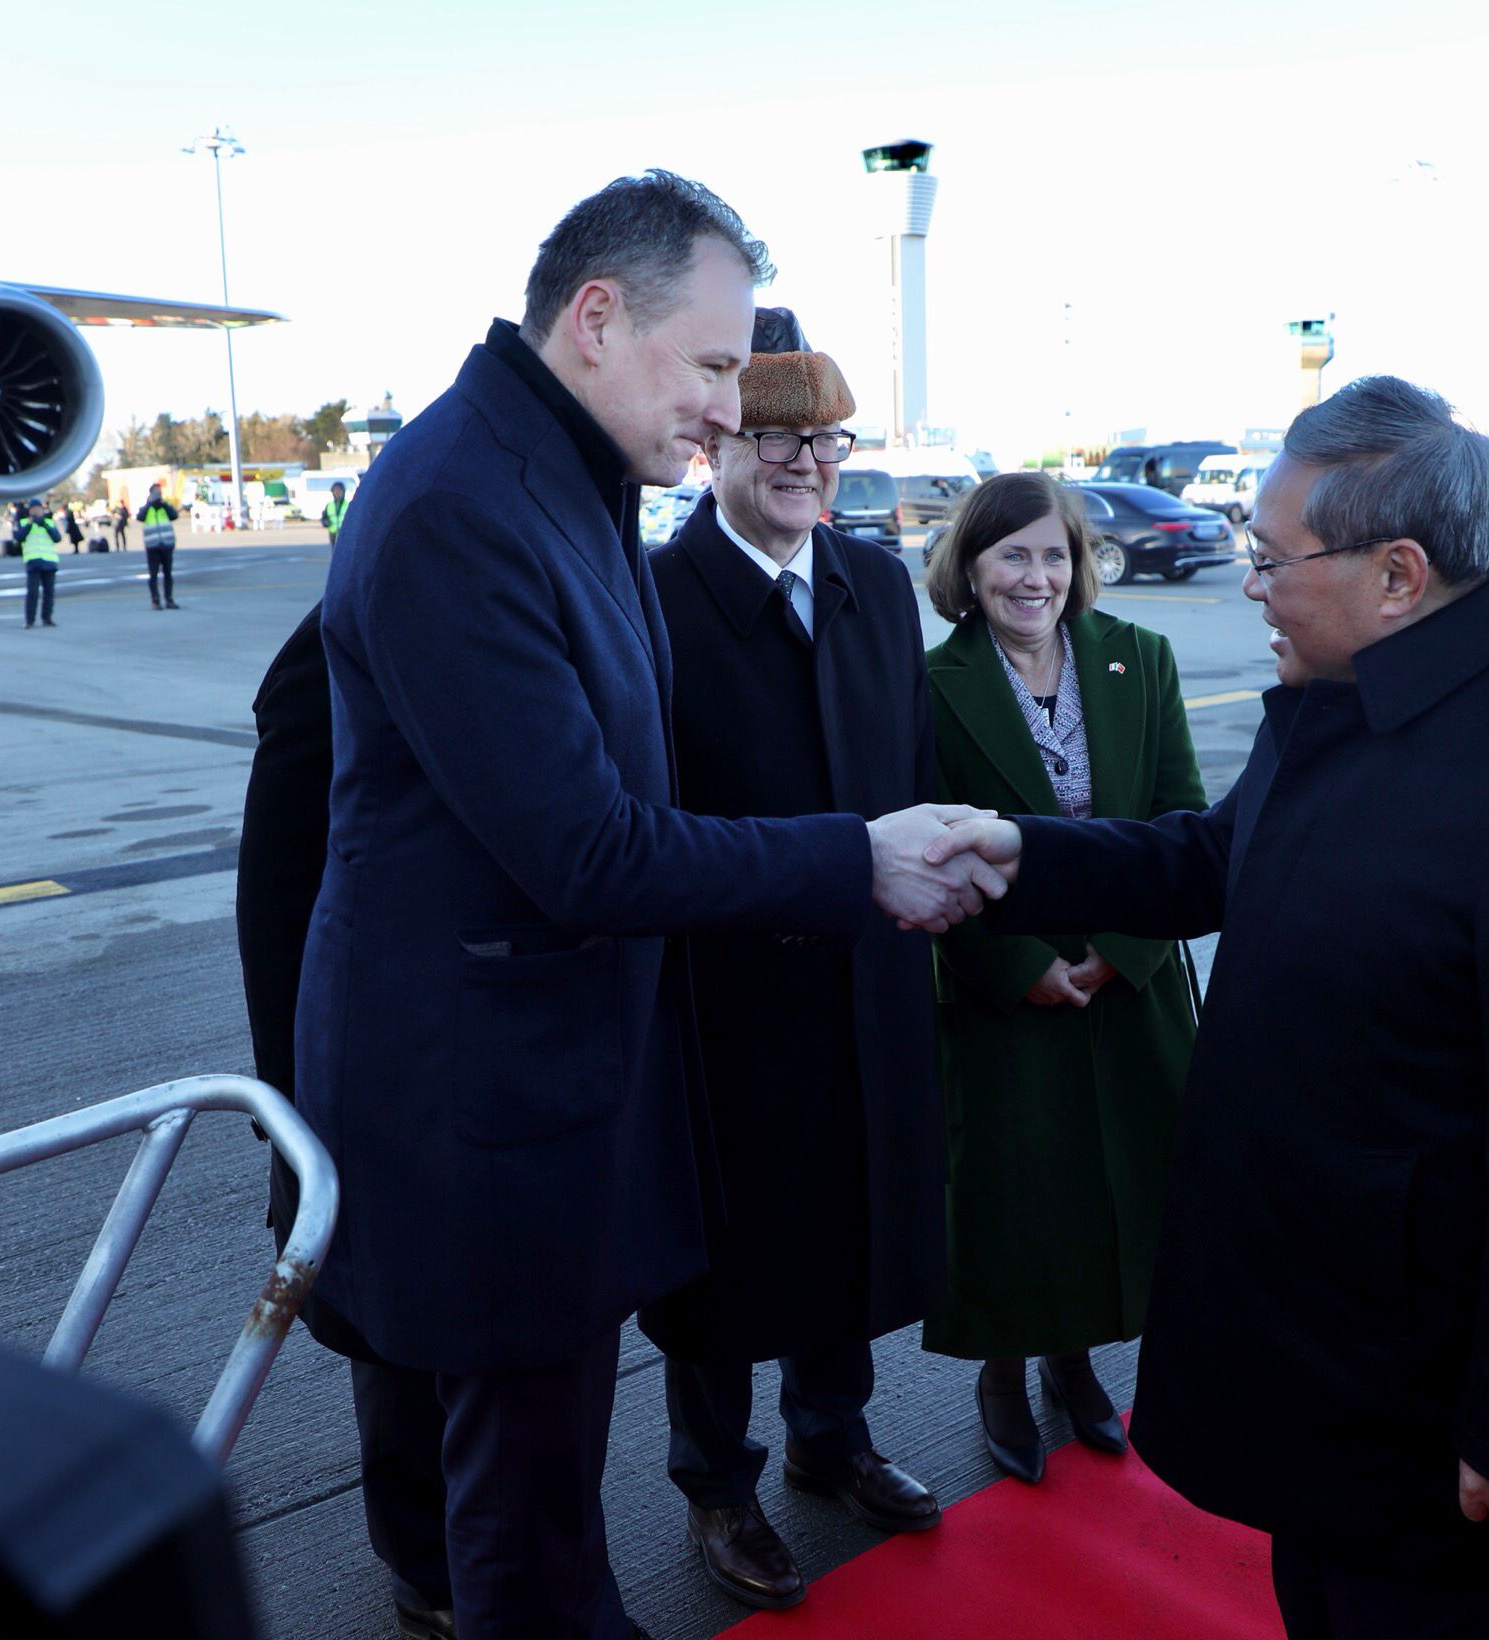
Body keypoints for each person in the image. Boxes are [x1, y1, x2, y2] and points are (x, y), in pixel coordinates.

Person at [291, 171, 1002, 1640]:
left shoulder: (558, 476)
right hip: (487, 1106)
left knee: (546, 1492)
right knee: (528, 1518)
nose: (734, 412)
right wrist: (852, 857)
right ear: (599, 319)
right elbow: (590, 851)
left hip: (558, 1081)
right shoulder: (461, 506)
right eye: (719, 366)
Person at [932, 376, 1489, 1638]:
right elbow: (1210, 857)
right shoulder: (1351, 696)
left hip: (1431, 1402)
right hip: (1319, 1352)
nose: (1250, 585)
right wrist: (1014, 853)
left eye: (1268, 556)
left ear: (1398, 573)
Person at [639, 340, 945, 1612]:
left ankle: (833, 1430)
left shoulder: (874, 583)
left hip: (863, 975)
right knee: (722, 1255)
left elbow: (911, 760)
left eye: (825, 443)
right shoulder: (657, 595)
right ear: (716, 447)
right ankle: (717, 1481)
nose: (805, 466)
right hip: (726, 991)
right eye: (777, 442)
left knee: (848, 1210)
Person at [919, 470, 1205, 1486]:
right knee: (1014, 1192)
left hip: (1132, 982)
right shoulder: (931, 681)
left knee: (1121, 1184)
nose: (1033, 576)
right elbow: (926, 854)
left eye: (1053, 553)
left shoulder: (1142, 656)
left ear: (1079, 564)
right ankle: (1003, 1366)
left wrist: (1120, 950)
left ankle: (1075, 1363)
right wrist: (1015, 964)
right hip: (1006, 990)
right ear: (970, 567)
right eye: (1011, 554)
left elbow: (1182, 822)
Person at [16, 499, 61, 628]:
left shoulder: (48, 522)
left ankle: (47, 618)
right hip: (33, 561)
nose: (36, 510)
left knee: (49, 593)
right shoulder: (24, 523)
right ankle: (29, 620)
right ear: (29, 511)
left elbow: (57, 538)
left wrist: (45, 525)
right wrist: (30, 524)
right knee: (32, 593)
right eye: (33, 508)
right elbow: (19, 536)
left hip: (49, 561)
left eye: (38, 508)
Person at [137, 483, 180, 609]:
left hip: (166, 544)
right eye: (156, 492)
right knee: (153, 575)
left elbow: (174, 515)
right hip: (153, 546)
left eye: (160, 492)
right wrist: (150, 503)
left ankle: (169, 599)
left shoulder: (164, 506)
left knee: (168, 574)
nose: (159, 495)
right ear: (150, 494)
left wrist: (163, 504)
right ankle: (155, 600)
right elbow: (139, 517)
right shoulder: (147, 508)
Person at [323, 479, 350, 547]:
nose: (337, 493)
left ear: (343, 492)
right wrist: (326, 522)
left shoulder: (349, 505)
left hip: (345, 533)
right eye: (335, 491)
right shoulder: (329, 505)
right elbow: (324, 518)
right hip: (333, 533)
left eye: (339, 491)